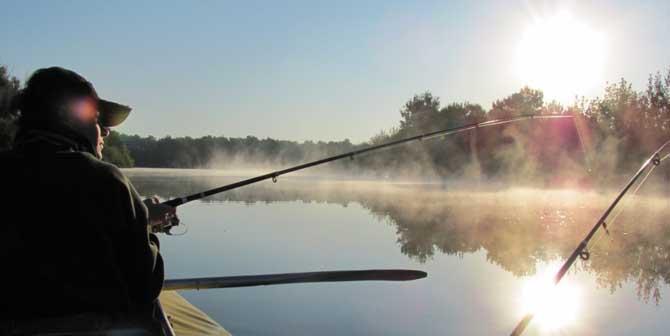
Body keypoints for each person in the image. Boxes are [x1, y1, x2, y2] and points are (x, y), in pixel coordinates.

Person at [0, 67, 177, 333]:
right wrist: (145, 228)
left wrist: (138, 216)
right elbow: (146, 283)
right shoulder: (106, 180)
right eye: (96, 120)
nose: (106, 132)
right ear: (69, 118)